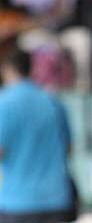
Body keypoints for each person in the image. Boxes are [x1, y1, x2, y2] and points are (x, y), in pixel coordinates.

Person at [0, 47, 74, 222]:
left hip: (17, 201)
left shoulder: (4, 103)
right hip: (56, 199)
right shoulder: (53, 102)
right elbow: (68, 148)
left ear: (7, 69)